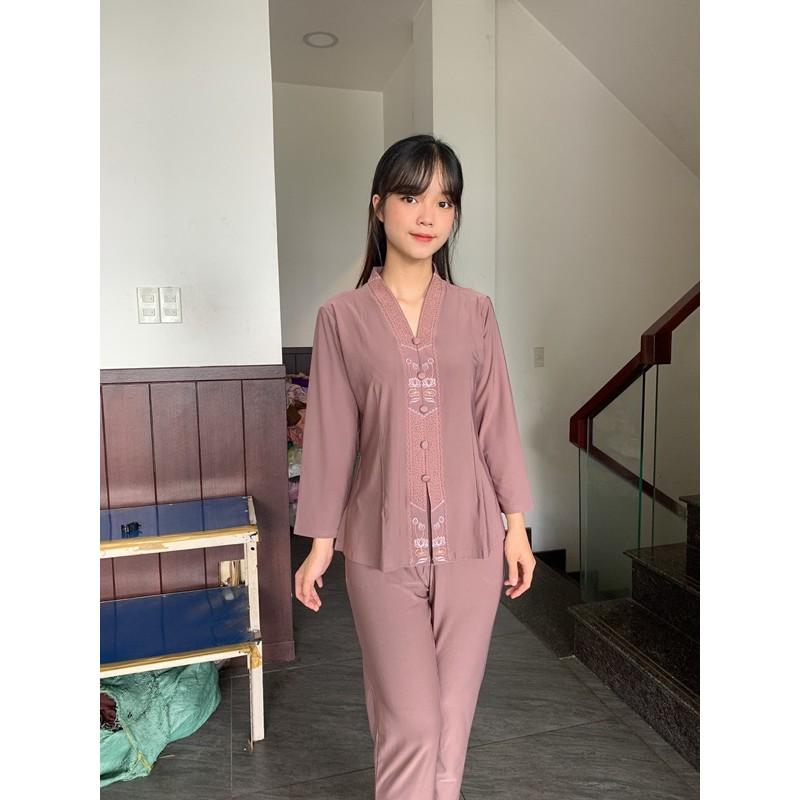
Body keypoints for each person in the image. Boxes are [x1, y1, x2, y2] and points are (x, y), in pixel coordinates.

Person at [292, 134, 536, 800]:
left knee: (452, 724)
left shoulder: (475, 312)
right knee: (412, 724)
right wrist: (320, 543)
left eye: (444, 201)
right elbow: (331, 436)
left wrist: (517, 527)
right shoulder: (341, 319)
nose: (428, 215)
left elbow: (496, 421)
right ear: (378, 205)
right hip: (380, 546)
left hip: (474, 545)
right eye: (410, 196)